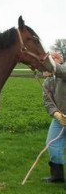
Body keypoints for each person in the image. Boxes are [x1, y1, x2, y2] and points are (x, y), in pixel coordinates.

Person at [42, 52, 66, 183]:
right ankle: (57, 176)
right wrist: (56, 114)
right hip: (60, 119)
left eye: (55, 59)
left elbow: (61, 70)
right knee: (52, 144)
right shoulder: (47, 82)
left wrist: (49, 62)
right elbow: (48, 101)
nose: (52, 62)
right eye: (51, 59)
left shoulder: (64, 70)